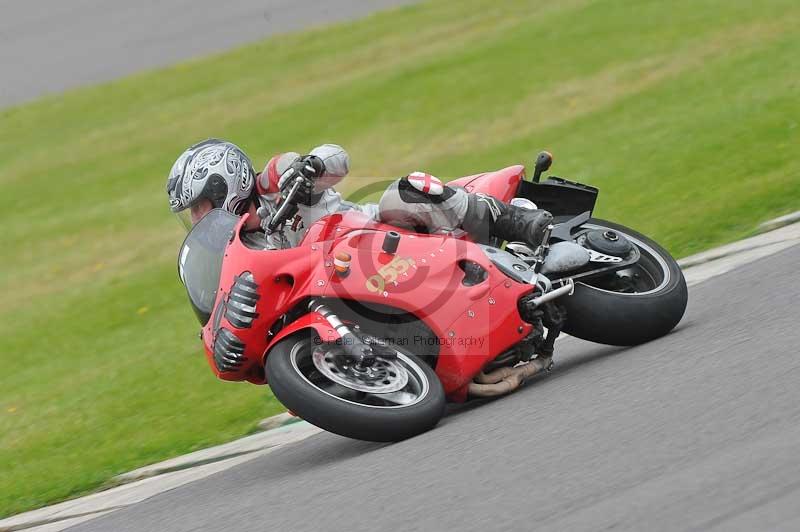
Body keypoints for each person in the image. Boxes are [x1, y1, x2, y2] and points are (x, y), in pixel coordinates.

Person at [166, 138, 552, 250]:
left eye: (200, 207)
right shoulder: (237, 250)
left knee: (402, 193)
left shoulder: (274, 178)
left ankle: (516, 221)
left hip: (378, 234)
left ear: (225, 187)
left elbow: (339, 158)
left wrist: (311, 165)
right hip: (338, 282)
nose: (198, 220)